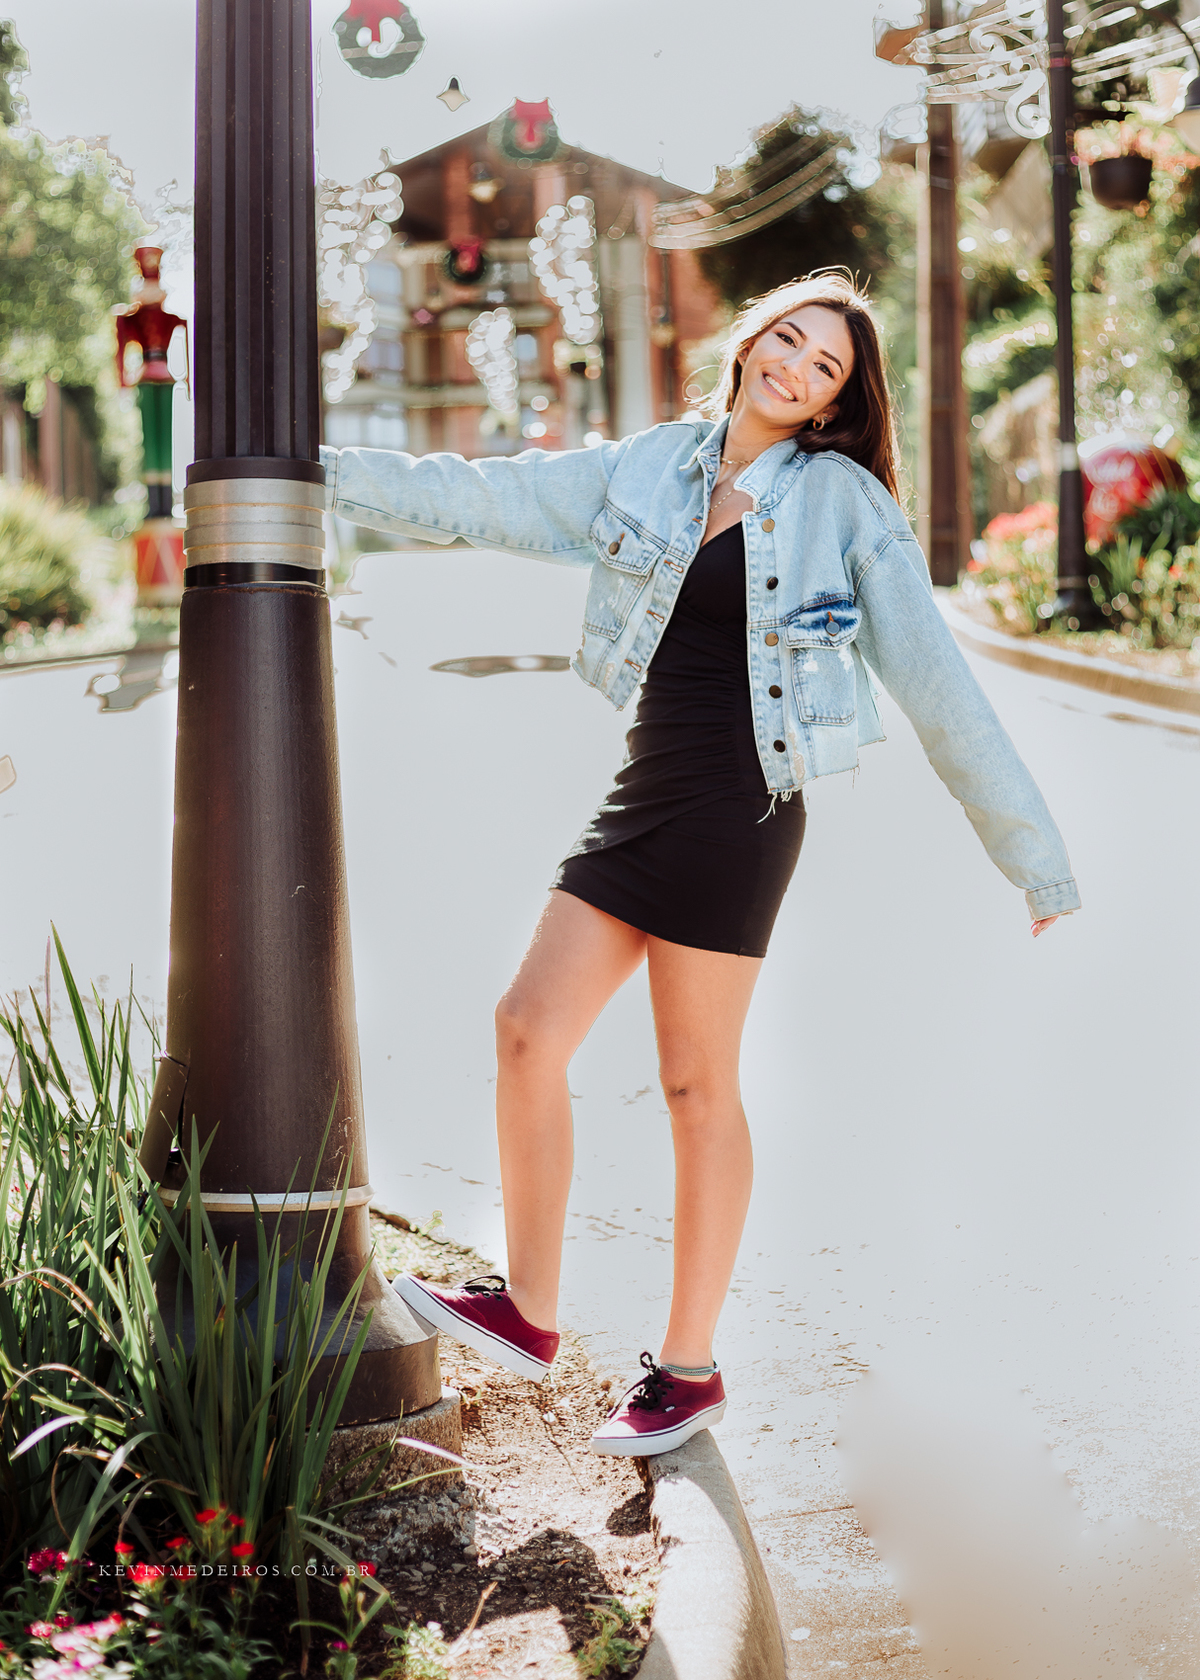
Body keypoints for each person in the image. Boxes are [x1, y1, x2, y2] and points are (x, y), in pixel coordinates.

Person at [320, 271, 1081, 1457]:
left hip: (743, 805)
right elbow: (486, 496)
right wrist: (308, 465)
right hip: (647, 793)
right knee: (527, 1028)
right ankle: (527, 1310)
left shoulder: (839, 504)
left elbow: (939, 685)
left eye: (825, 366)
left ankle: (688, 1368)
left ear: (837, 403)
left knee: (693, 1086)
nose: (796, 368)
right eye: (788, 339)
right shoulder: (650, 467)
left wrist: (1033, 862)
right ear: (750, 341)